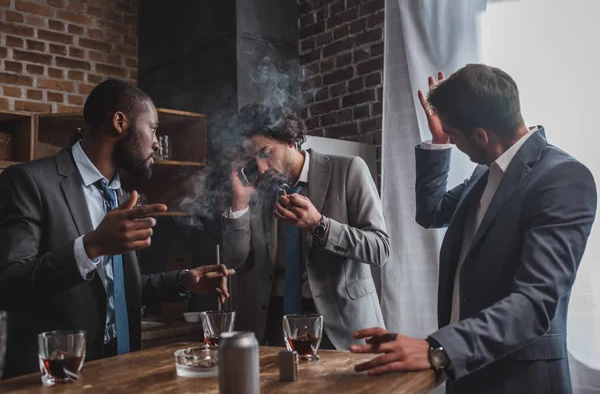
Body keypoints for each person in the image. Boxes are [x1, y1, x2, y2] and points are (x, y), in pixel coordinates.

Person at [350, 64, 597, 393]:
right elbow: (432, 212)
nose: (453, 140)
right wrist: (440, 142)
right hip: (466, 373)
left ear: (481, 135)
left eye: (453, 134)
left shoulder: (563, 179)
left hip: (520, 382)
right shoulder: (485, 174)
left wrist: (438, 350)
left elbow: (533, 303)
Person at [0, 79, 229, 378]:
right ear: (120, 122)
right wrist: (90, 246)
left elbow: (112, 287)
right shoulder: (28, 182)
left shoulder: (120, 196)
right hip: (57, 375)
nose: (157, 142)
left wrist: (183, 280)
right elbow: (8, 284)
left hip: (122, 367)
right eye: (153, 128)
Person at [222, 104, 389, 350]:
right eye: (252, 159)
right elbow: (237, 263)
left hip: (343, 325)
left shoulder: (348, 169)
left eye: (266, 153)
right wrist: (240, 202)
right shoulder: (259, 189)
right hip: (279, 326)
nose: (261, 168)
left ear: (290, 140)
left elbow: (379, 249)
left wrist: (320, 225)